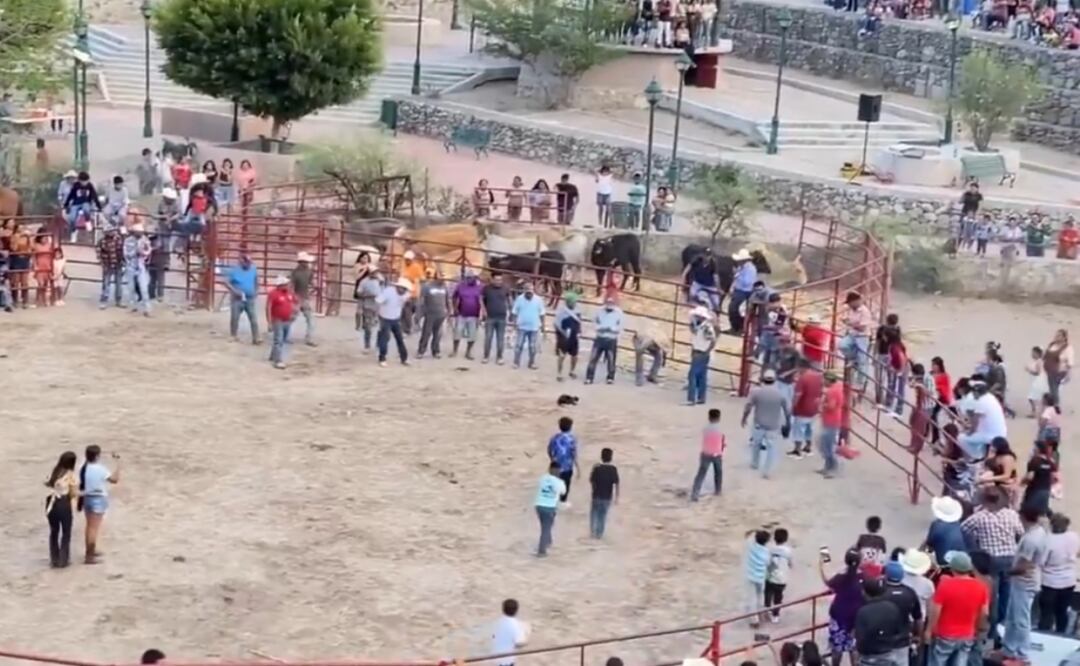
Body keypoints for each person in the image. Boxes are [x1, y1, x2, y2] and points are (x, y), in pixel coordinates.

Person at [961, 488, 1023, 630]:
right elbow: (1020, 533)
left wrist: (976, 541)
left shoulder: (979, 517)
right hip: (1010, 557)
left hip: (991, 559)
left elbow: (964, 528)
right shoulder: (1011, 514)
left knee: (992, 596)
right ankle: (1004, 622)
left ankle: (993, 627)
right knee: (1006, 593)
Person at [924, 551, 989, 666]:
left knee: (938, 661)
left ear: (953, 569)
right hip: (967, 634)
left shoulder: (945, 585)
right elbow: (984, 612)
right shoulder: (981, 586)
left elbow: (935, 611)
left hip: (945, 634)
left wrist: (929, 630)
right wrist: (977, 629)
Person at [1002, 505, 1048, 664]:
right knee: (1012, 617)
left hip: (1024, 582)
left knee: (1021, 620)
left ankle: (1022, 655)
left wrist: (1007, 572)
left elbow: (1024, 566)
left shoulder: (1031, 539)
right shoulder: (1037, 532)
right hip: (1023, 582)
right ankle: (1008, 649)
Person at [741, 369, 791, 480]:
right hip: (773, 425)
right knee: (771, 448)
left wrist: (744, 418)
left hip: (759, 423)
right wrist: (787, 423)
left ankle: (755, 463)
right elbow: (787, 411)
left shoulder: (756, 392)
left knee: (756, 444)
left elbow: (748, 407)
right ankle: (767, 471)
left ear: (763, 379)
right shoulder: (780, 394)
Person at [854, 575, 911, 666]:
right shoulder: (892, 607)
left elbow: (860, 638)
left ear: (865, 593)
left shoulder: (863, 612)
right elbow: (898, 630)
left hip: (869, 658)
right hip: (889, 654)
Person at [821, 549, 864, 666]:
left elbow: (827, 580)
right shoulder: (864, 577)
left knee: (837, 649)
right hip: (856, 620)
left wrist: (821, 564)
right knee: (854, 649)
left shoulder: (841, 577)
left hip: (839, 617)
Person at [1037, 513, 1078, 633]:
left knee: (1046, 612)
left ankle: (1044, 634)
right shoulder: (1073, 536)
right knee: (1062, 611)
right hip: (1068, 580)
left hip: (1050, 581)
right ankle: (1061, 634)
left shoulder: (1048, 540)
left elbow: (1041, 561)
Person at [80, 444, 120, 564]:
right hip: (98, 498)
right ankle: (89, 556)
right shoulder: (100, 468)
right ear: (97, 456)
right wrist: (118, 465)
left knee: (89, 527)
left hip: (87, 498)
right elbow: (114, 480)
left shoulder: (84, 468)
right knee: (93, 528)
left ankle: (90, 550)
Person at [958, 378, 1006, 461]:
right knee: (975, 437)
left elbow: (974, 422)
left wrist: (969, 431)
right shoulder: (990, 397)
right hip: (1001, 432)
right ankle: (981, 456)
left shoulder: (977, 400)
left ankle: (977, 458)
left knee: (961, 438)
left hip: (990, 435)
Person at [45, 450, 78, 568]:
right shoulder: (70, 475)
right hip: (63, 503)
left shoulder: (55, 471)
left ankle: (54, 558)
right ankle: (63, 559)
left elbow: (47, 483)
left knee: (54, 531)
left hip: (51, 503)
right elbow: (73, 493)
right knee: (66, 532)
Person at [789, 358, 824, 458]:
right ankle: (808, 447)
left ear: (801, 367)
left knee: (798, 429)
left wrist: (793, 406)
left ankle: (797, 450)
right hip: (813, 408)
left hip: (802, 408)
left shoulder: (802, 378)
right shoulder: (818, 377)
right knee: (809, 428)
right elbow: (820, 392)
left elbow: (798, 395)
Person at [837, 291, 873, 384]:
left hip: (862, 337)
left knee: (862, 360)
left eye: (850, 303)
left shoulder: (865, 311)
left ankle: (861, 382)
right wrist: (847, 321)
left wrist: (850, 324)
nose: (849, 305)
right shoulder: (851, 310)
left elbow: (862, 328)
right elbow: (852, 322)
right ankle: (854, 359)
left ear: (855, 301)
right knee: (842, 345)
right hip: (852, 335)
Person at [586, 296, 623, 384]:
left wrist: (612, 329)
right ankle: (589, 377)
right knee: (593, 358)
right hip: (600, 337)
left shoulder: (619, 313)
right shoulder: (599, 311)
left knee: (611, 359)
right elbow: (594, 322)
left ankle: (610, 377)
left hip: (611, 338)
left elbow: (621, 326)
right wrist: (600, 328)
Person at [691, 408, 725, 501]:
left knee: (701, 474)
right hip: (717, 454)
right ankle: (718, 491)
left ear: (709, 417)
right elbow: (722, 442)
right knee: (718, 473)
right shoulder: (720, 429)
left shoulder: (705, 428)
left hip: (705, 453)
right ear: (719, 418)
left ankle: (695, 494)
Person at [376, 277, 412, 367]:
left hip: (395, 318)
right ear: (398, 287)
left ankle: (404, 358)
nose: (403, 291)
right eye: (403, 289)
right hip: (385, 318)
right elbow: (378, 301)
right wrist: (378, 315)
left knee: (400, 339)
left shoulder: (405, 295)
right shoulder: (388, 292)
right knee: (385, 338)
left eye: (405, 289)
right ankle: (382, 358)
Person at [534, 461, 567, 557]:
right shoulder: (559, 482)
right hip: (550, 507)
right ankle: (541, 550)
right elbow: (563, 492)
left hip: (539, 505)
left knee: (545, 526)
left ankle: (547, 541)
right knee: (546, 528)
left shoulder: (543, 478)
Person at [923, 496, 967, 567]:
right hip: (962, 560)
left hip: (943, 561)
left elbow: (929, 543)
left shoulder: (937, 525)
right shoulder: (961, 526)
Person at [226, 253, 260, 344]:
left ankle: (256, 337)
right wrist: (234, 291)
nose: (249, 264)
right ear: (242, 262)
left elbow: (256, 281)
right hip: (237, 298)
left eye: (250, 262)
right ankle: (233, 335)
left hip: (250, 298)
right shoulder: (235, 270)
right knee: (235, 317)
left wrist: (256, 291)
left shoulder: (253, 270)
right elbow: (227, 283)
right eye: (247, 262)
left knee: (253, 318)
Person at [266, 275, 298, 369]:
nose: (288, 286)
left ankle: (273, 355)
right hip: (277, 320)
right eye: (286, 284)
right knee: (278, 340)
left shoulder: (289, 293)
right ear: (281, 285)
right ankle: (278, 360)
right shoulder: (273, 294)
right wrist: (269, 322)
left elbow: (295, 302)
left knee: (282, 339)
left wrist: (294, 312)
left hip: (287, 320)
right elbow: (268, 308)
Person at [417, 268, 450, 359]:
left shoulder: (445, 287)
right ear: (436, 277)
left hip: (441, 314)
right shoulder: (427, 286)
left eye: (444, 278)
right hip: (430, 314)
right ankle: (421, 351)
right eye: (441, 277)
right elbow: (421, 301)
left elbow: (447, 300)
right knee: (426, 333)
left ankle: (435, 351)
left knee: (438, 334)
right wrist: (419, 313)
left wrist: (449, 312)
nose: (443, 279)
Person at [511, 283, 545, 370]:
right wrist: (515, 323)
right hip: (522, 326)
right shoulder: (519, 299)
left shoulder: (538, 300)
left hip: (534, 327)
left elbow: (542, 314)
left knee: (532, 346)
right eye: (528, 292)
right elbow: (515, 312)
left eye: (531, 292)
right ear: (524, 291)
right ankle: (516, 362)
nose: (529, 294)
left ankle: (531, 363)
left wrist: (543, 325)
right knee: (519, 345)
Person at [687, 305, 717, 404]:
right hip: (701, 352)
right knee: (701, 376)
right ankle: (701, 397)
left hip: (700, 352)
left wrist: (706, 350)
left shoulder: (706, 327)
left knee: (693, 375)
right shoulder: (702, 326)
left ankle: (692, 398)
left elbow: (712, 340)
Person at [452, 269, 484, 360]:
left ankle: (468, 352)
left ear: (475, 278)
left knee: (472, 335)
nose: (469, 279)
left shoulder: (480, 287)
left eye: (471, 277)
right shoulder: (460, 286)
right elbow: (454, 297)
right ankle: (455, 351)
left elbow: (483, 300)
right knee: (457, 333)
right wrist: (454, 308)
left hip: (474, 315)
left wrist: (483, 312)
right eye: (467, 277)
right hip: (461, 314)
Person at [588, 448, 619, 539]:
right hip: (607, 497)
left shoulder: (597, 468)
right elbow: (616, 483)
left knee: (594, 514)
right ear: (611, 458)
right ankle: (599, 533)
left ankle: (593, 532)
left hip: (596, 495)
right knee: (603, 515)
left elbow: (591, 480)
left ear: (601, 457)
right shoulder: (613, 469)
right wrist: (617, 496)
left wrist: (593, 489)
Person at [547, 416, 579, 506]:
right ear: (570, 427)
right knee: (566, 483)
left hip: (555, 465)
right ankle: (563, 501)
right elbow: (574, 453)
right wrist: (577, 466)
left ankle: (552, 500)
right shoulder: (572, 438)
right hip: (567, 466)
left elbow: (549, 450)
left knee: (554, 482)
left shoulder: (554, 437)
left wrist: (552, 458)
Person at [123, 224, 152, 316]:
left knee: (144, 288)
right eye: (138, 232)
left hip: (140, 266)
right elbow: (126, 254)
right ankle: (133, 306)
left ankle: (147, 308)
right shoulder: (128, 241)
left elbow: (148, 251)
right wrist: (136, 251)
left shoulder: (145, 240)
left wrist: (144, 253)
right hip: (130, 265)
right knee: (131, 288)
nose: (140, 233)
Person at [1021, 440, 1057, 516]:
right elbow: (1054, 477)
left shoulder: (1034, 461)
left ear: (1037, 449)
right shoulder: (1051, 461)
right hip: (1045, 491)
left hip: (1034, 491)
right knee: (1041, 514)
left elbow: (1030, 476)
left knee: (1027, 514)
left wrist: (1021, 482)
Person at [819, 372, 844, 478]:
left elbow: (831, 406)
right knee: (826, 444)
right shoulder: (837, 388)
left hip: (831, 421)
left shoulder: (832, 392)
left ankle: (832, 468)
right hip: (832, 421)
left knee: (828, 446)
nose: (823, 381)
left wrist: (821, 404)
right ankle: (827, 467)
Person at [482, 273, 511, 364]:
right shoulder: (487, 288)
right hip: (490, 317)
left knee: (500, 338)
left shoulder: (506, 288)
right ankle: (486, 356)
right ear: (492, 280)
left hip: (502, 317)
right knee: (488, 337)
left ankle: (499, 357)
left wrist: (511, 311)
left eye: (500, 280)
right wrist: (483, 311)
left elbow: (509, 300)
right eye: (497, 280)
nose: (498, 282)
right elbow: (481, 299)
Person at [63, 171, 101, 241]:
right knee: (72, 218)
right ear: (80, 180)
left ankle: (87, 221)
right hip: (76, 203)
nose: (84, 183)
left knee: (86, 209)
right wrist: (66, 204)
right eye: (83, 182)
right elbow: (70, 195)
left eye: (86, 181)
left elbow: (94, 196)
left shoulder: (90, 185)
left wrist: (99, 206)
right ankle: (74, 231)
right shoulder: (76, 185)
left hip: (85, 202)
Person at [744, 530, 772, 628]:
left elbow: (746, 535)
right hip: (761, 578)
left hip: (751, 576)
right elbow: (768, 563)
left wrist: (754, 530)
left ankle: (754, 620)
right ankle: (761, 613)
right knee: (760, 596)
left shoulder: (751, 546)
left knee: (752, 598)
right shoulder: (766, 552)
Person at [766, 528, 793, 623]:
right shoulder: (788, 551)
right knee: (778, 597)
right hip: (782, 579)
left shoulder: (770, 549)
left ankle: (767, 609)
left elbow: (767, 562)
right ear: (786, 539)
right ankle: (775, 614)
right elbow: (790, 564)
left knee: (768, 593)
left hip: (770, 577)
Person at [290, 252, 317, 347]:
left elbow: (292, 286)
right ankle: (308, 338)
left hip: (301, 298)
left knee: (294, 319)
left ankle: (287, 336)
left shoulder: (297, 272)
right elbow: (291, 286)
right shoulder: (300, 272)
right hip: (300, 298)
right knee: (305, 319)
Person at [491, 599, 529, 666]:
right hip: (508, 660)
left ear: (503, 609)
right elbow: (520, 643)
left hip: (497, 658)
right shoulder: (517, 625)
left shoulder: (497, 623)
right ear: (516, 610)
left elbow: (493, 637)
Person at [554, 291, 583, 381]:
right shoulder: (562, 312)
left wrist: (579, 331)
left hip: (574, 336)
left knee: (575, 355)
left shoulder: (578, 310)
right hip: (564, 336)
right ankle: (559, 373)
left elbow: (579, 321)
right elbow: (557, 325)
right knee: (562, 355)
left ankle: (572, 371)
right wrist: (562, 335)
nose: (575, 303)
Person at [728, 249, 757, 334]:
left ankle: (739, 328)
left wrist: (737, 277)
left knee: (736, 309)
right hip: (739, 291)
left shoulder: (750, 269)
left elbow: (748, 282)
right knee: (733, 309)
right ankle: (735, 327)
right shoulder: (742, 267)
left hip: (745, 292)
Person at [899, 549, 935, 616]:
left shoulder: (898, 577)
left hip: (899, 616)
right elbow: (929, 606)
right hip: (919, 617)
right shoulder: (928, 584)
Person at [355, 267, 382, 352]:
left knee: (380, 327)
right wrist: (368, 295)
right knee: (368, 327)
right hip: (368, 306)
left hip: (378, 306)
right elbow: (359, 293)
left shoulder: (380, 280)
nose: (375, 274)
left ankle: (378, 344)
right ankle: (367, 345)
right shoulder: (364, 282)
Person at [96, 226, 124, 309]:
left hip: (118, 264)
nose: (112, 233)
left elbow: (122, 251)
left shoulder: (118, 239)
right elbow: (99, 254)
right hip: (107, 264)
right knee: (106, 283)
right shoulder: (102, 241)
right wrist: (102, 263)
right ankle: (104, 301)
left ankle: (118, 300)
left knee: (118, 283)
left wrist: (123, 262)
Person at [1042, 329, 1072, 405]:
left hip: (1060, 371)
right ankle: (1053, 405)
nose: (1056, 337)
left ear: (1064, 337)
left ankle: (1055, 405)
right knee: (1052, 388)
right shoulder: (1052, 345)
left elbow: (1069, 362)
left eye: (1059, 335)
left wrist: (1069, 374)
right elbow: (1045, 356)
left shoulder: (1067, 348)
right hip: (1049, 371)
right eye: (1056, 335)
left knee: (1054, 389)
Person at [399, 251, 424, 335]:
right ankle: (405, 328)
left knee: (409, 311)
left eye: (408, 260)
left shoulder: (416, 267)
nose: (407, 261)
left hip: (413, 291)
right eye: (406, 260)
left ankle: (408, 328)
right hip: (405, 291)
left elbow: (421, 278)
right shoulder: (404, 267)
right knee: (406, 311)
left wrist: (411, 279)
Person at [1025, 347, 1049, 418]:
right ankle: (1039, 411)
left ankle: (1034, 411)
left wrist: (1029, 370)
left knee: (1031, 397)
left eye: (1033, 353)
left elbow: (1037, 373)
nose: (1032, 354)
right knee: (1038, 397)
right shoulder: (1039, 361)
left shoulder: (1039, 361)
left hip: (1039, 381)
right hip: (1039, 380)